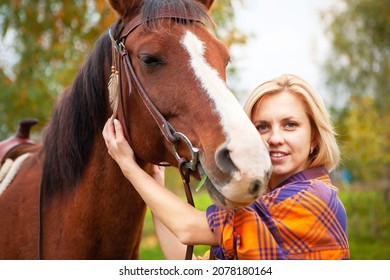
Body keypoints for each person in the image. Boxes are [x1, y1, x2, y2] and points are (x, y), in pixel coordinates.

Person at [102, 73, 350, 260]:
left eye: (290, 125)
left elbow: (189, 229)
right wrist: (156, 182)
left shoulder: (315, 198)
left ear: (314, 138)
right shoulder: (262, 204)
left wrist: (128, 166)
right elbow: (187, 265)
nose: (275, 138)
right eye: (262, 127)